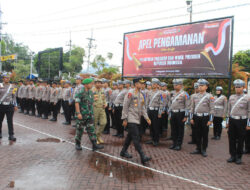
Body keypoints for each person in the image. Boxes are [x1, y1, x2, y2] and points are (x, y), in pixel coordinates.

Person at [120, 78, 152, 165]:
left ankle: (123, 151)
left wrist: (147, 118)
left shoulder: (141, 94)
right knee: (136, 137)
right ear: (135, 84)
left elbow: (143, 108)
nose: (142, 85)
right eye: (140, 83)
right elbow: (125, 106)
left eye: (143, 83)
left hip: (137, 119)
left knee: (130, 136)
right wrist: (124, 118)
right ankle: (143, 156)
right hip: (131, 118)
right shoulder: (130, 93)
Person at [74, 78, 104, 151]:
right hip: (82, 115)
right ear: (86, 84)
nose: (92, 85)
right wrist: (78, 113)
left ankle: (94, 145)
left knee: (91, 130)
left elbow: (92, 102)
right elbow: (77, 103)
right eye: (91, 83)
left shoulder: (91, 92)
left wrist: (92, 112)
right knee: (80, 130)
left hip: (90, 114)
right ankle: (77, 144)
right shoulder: (80, 92)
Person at [226, 79, 250, 164]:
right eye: (236, 87)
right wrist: (227, 122)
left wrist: (248, 124)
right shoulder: (231, 97)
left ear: (243, 87)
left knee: (241, 139)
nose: (237, 88)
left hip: (242, 120)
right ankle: (232, 155)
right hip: (232, 120)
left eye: (239, 87)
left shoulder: (247, 98)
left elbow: (249, 111)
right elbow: (228, 110)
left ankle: (239, 157)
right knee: (231, 138)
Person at [190, 79, 214, 157]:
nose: (200, 87)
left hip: (205, 117)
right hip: (196, 117)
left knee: (204, 134)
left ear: (206, 87)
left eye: (202, 85)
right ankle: (198, 148)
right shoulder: (194, 96)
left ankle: (204, 149)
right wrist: (191, 118)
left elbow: (212, 109)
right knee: (197, 133)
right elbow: (192, 108)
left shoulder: (209, 96)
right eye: (199, 85)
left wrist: (210, 120)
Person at [169, 79, 189, 151]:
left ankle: (178, 144)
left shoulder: (185, 94)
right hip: (173, 113)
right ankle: (174, 143)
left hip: (181, 113)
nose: (174, 86)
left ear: (180, 85)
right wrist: (170, 114)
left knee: (180, 129)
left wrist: (186, 116)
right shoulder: (172, 93)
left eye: (176, 85)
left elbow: (187, 106)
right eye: (174, 84)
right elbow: (170, 103)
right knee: (173, 129)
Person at [0, 73, 18, 141]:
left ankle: (11, 135)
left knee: (10, 121)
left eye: (8, 78)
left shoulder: (12, 86)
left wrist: (15, 105)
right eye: (5, 77)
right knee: (0, 120)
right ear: (3, 78)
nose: (7, 79)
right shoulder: (0, 85)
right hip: (1, 105)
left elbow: (14, 97)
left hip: (9, 106)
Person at [146, 78, 163, 146]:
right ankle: (152, 139)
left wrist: (159, 112)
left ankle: (156, 140)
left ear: (157, 85)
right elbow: (147, 102)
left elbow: (161, 103)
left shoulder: (160, 93)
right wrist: (146, 111)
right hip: (150, 110)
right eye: (152, 83)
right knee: (151, 125)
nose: (153, 85)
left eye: (155, 84)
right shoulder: (149, 92)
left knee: (156, 126)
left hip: (156, 111)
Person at [92, 78, 107, 144]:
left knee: (104, 123)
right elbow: (89, 99)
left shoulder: (102, 90)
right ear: (95, 84)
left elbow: (104, 99)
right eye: (97, 82)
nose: (99, 84)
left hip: (102, 109)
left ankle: (98, 135)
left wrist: (105, 103)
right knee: (94, 124)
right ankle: (95, 138)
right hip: (94, 108)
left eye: (100, 83)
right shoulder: (92, 90)